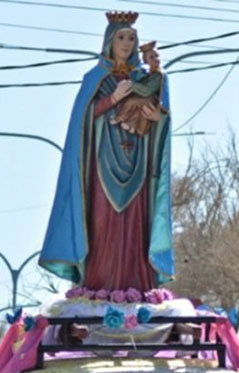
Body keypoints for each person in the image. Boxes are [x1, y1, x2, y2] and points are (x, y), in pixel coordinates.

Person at [39, 11, 174, 291]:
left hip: (137, 163)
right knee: (102, 224)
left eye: (132, 39)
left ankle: (137, 287)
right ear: (109, 42)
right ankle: (99, 286)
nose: (127, 43)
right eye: (122, 37)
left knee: (136, 227)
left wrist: (154, 116)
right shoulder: (95, 78)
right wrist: (113, 98)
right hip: (101, 167)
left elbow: (161, 120)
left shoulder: (146, 78)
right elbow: (82, 120)